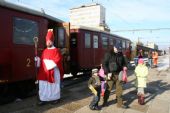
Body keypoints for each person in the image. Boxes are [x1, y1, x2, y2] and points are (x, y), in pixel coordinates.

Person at [35, 29, 64, 105]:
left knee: (53, 86)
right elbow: (41, 61)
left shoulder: (56, 50)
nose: (48, 42)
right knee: (43, 85)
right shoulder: (44, 51)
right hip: (44, 72)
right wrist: (37, 60)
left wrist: (47, 63)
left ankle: (55, 98)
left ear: (52, 41)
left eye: (49, 41)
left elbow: (57, 60)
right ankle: (43, 99)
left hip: (53, 71)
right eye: (47, 41)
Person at [102, 44, 127, 108]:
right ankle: (104, 102)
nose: (118, 50)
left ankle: (120, 104)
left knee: (119, 90)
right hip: (111, 75)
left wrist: (124, 66)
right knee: (108, 89)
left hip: (119, 74)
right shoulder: (108, 54)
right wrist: (107, 72)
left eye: (119, 49)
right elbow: (104, 64)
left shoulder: (121, 54)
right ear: (114, 47)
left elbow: (124, 63)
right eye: (117, 49)